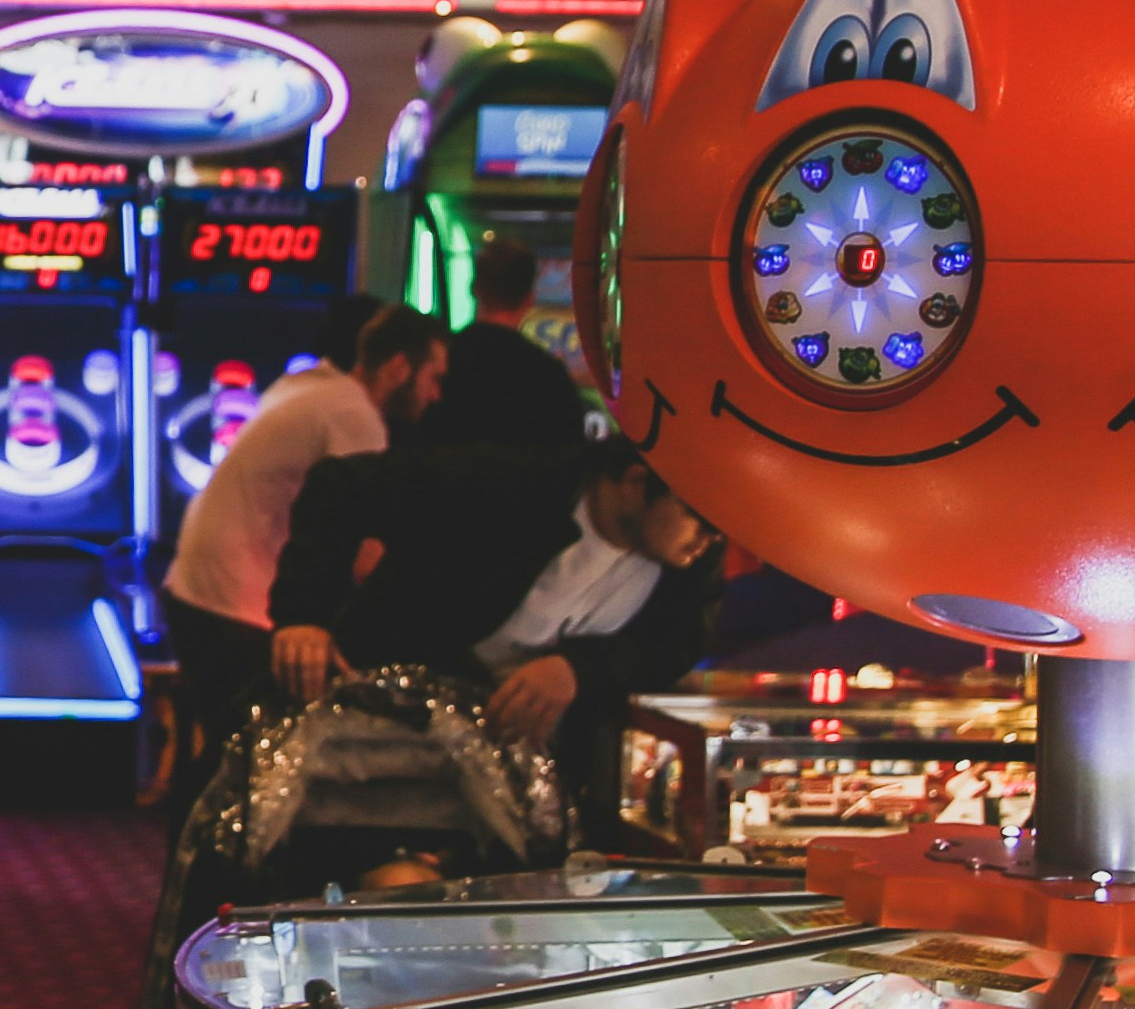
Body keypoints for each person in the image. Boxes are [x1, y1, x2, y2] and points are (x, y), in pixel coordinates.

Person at [263, 437, 726, 806]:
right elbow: (342, 485)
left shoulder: (687, 563)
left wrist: (578, 669)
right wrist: (304, 615)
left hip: (525, 776)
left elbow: (680, 642)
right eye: (699, 519)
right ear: (634, 482)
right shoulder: (511, 483)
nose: (710, 538)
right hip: (379, 731)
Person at [157, 296, 442, 747]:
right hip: (229, 600)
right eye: (433, 377)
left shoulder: (309, 383)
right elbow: (366, 555)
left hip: (193, 589)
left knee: (224, 753)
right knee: (253, 757)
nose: (435, 394)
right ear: (399, 368)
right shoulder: (354, 417)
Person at [409, 239, 594, 454]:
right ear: (529, 299)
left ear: (474, 289)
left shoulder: (439, 364)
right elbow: (570, 459)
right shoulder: (548, 375)